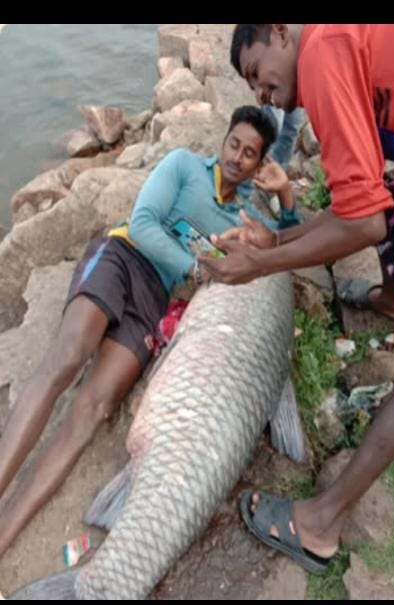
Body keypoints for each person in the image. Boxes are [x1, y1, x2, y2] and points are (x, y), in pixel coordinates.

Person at [0, 105, 299, 559]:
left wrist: (288, 196)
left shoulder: (242, 219)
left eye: (250, 154)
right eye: (234, 144)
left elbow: (289, 248)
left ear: (260, 165)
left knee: (95, 409)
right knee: (67, 357)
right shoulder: (182, 164)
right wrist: (199, 267)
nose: (238, 157)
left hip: (153, 301)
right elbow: (142, 224)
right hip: (122, 258)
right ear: (224, 141)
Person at [202, 24, 394, 575]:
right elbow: (363, 201)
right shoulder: (336, 45)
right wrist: (276, 238)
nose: (260, 95)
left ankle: (321, 524)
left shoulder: (323, 49)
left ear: (282, 32)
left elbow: (363, 222)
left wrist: (259, 263)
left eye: (258, 74)